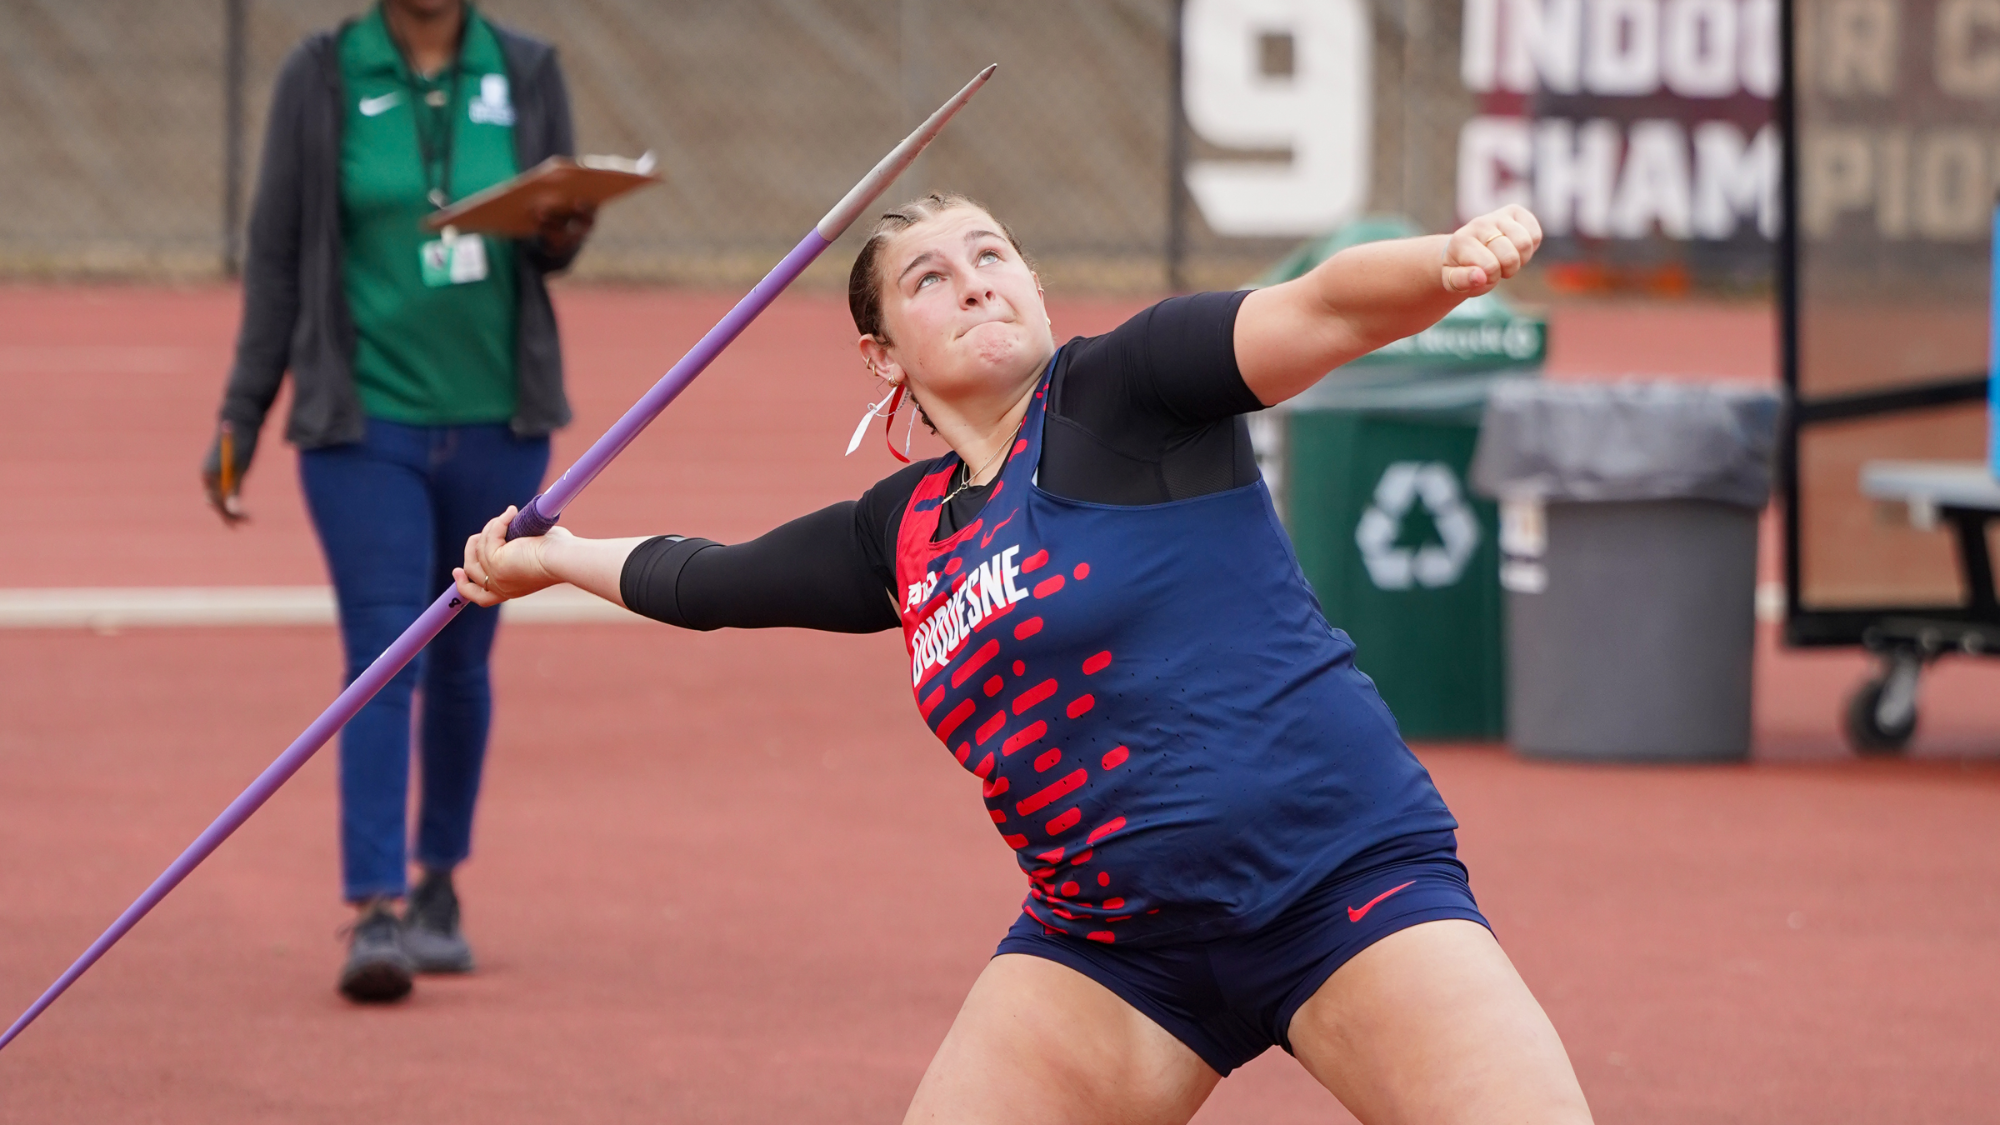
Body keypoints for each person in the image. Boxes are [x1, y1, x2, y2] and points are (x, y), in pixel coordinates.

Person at [455, 193, 1591, 1123]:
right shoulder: (893, 534)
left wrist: (1442, 263)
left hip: (1339, 889)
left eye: (991, 252)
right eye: (929, 278)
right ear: (879, 355)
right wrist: (554, 558)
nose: (975, 280)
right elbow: (707, 581)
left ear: (1034, 284)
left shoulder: (1127, 391)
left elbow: (1321, 307)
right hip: (1110, 952)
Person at [201, 0, 593, 1003]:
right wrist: (244, 409)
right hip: (363, 421)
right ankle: (372, 908)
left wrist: (561, 225)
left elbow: (553, 249)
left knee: (463, 656)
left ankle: (437, 890)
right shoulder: (323, 73)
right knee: (384, 649)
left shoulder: (526, 66)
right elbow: (280, 252)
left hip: (501, 418)